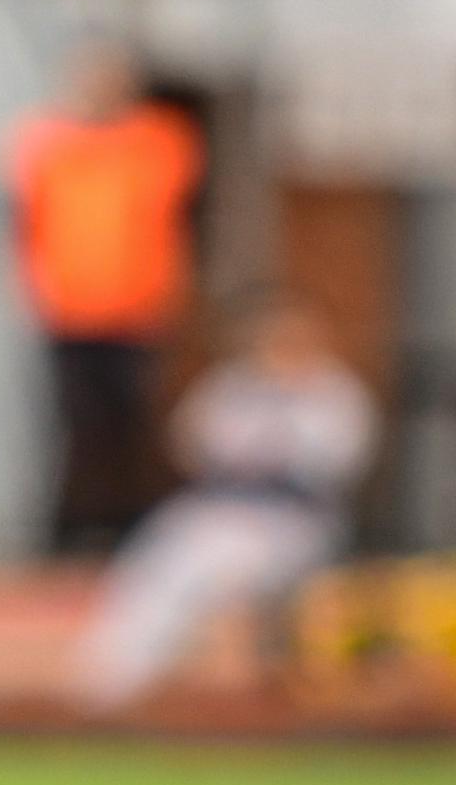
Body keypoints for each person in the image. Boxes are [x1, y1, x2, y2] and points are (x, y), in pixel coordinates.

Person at [74, 293, 375, 712]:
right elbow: (190, 446)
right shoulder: (232, 387)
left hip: (290, 522)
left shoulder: (333, 394)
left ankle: (232, 706)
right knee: (154, 562)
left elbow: (332, 466)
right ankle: (105, 688)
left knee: (225, 567)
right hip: (217, 510)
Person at [4, 41, 203, 553]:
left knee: (131, 425)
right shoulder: (43, 143)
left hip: (138, 309)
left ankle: (130, 529)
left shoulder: (159, 142)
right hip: (67, 309)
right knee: (72, 424)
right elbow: (17, 221)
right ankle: (68, 530)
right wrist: (30, 287)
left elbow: (189, 220)